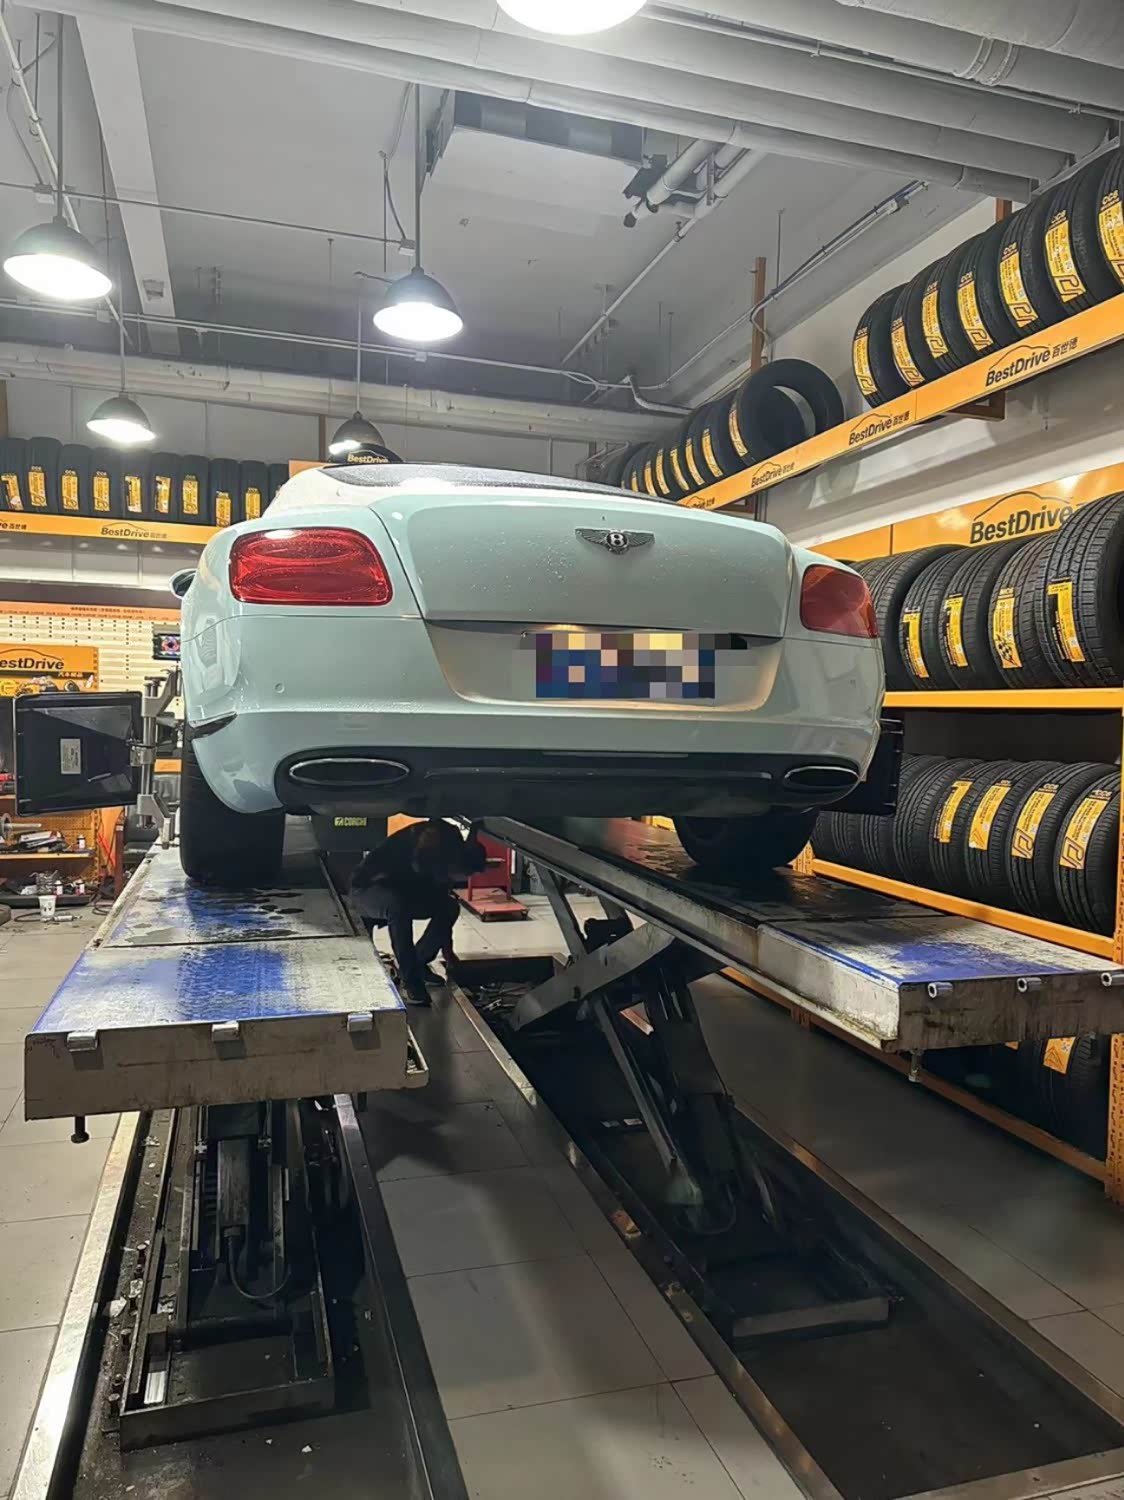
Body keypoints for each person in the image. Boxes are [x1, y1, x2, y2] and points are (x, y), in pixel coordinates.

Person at [350, 818, 487, 1005]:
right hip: (366, 889)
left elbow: (442, 898)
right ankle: (410, 981)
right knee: (398, 906)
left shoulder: (446, 856)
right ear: (456, 861)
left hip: (401, 889)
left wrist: (449, 955)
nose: (461, 879)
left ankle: (420, 962)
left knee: (449, 906)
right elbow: (399, 889)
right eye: (464, 874)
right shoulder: (429, 846)